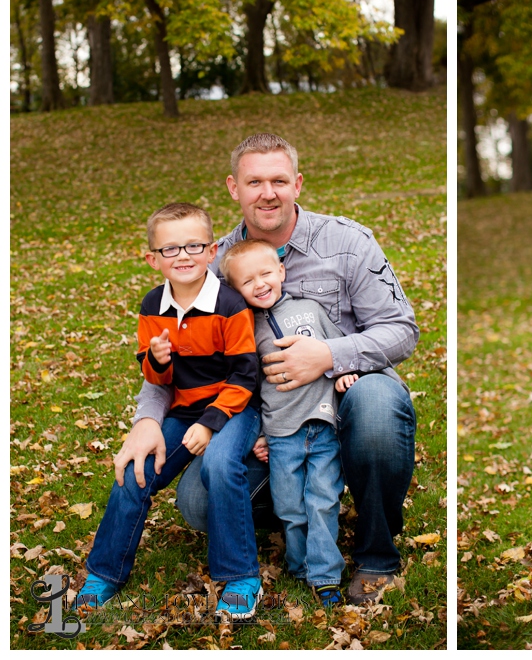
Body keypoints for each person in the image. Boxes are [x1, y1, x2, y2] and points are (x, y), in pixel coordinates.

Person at [120, 133, 418, 606]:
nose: (268, 192)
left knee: (379, 407)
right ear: (233, 188)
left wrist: (328, 355)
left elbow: (402, 329)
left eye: (279, 180)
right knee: (198, 503)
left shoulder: (348, 242)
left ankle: (376, 550)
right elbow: (172, 351)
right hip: (269, 415)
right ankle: (303, 505)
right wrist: (147, 420)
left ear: (297, 184)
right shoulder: (212, 263)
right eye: (254, 181)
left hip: (350, 390)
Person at [75, 203, 263, 621]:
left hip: (234, 411)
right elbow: (155, 378)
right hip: (181, 413)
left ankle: (241, 576)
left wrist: (211, 424)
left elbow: (246, 375)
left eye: (194, 245)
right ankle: (104, 573)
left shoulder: (230, 305)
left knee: (218, 463)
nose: (183, 255)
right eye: (170, 248)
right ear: (152, 258)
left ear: (212, 250)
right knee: (135, 469)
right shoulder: (151, 305)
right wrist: (157, 359)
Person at [218, 239, 355, 608]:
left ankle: (326, 576)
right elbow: (252, 388)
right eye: (248, 281)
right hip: (280, 434)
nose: (260, 283)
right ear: (234, 289)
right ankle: (299, 565)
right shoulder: (245, 329)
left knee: (323, 500)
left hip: (322, 425)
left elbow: (340, 345)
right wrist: (260, 433)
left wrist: (342, 372)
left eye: (266, 273)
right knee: (290, 506)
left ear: (281, 271)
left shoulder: (310, 308)